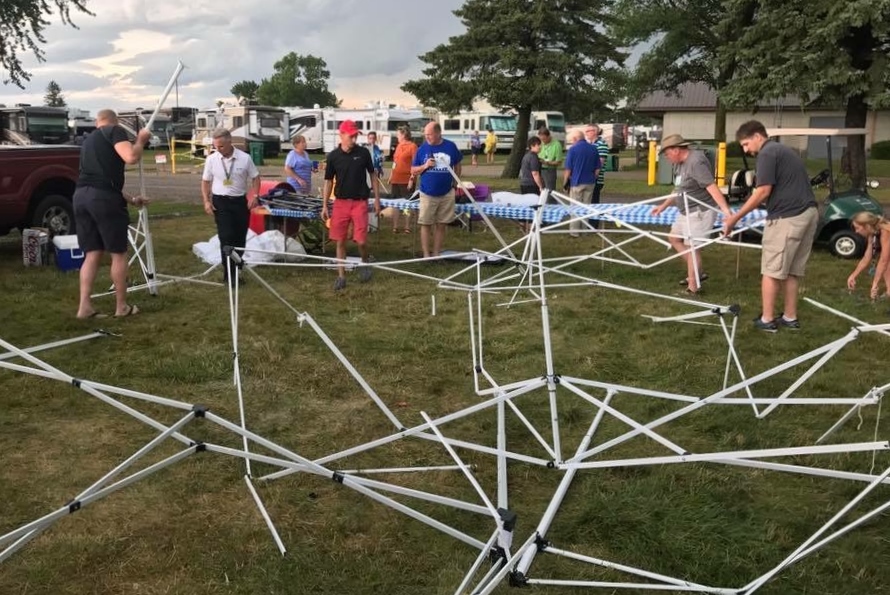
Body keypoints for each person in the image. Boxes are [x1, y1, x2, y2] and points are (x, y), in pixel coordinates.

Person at [722, 120, 819, 332]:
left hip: (788, 217)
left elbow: (763, 191)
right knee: (792, 271)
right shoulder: (783, 150)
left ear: (758, 136)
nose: (747, 150)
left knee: (771, 271)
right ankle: (790, 317)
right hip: (808, 213)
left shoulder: (767, 153)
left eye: (747, 144)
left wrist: (734, 218)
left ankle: (767, 320)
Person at [73, 108, 151, 319]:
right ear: (113, 121)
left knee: (92, 253)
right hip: (103, 200)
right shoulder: (114, 131)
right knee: (118, 253)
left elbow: (100, 181)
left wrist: (131, 199)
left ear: (97, 121)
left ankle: (84, 307)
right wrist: (141, 140)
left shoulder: (87, 141)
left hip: (81, 197)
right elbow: (131, 156)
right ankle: (121, 307)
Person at [650, 134, 733, 295]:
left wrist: (726, 211)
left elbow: (711, 187)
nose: (666, 158)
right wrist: (664, 206)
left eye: (667, 154)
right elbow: (679, 188)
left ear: (676, 150)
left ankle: (693, 287)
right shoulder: (680, 164)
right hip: (685, 210)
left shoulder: (696, 162)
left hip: (700, 211)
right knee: (674, 239)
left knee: (692, 247)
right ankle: (697, 272)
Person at [322, 120, 381, 291]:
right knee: (340, 240)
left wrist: (376, 200)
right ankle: (341, 277)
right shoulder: (333, 156)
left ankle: (364, 263)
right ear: (341, 135)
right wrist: (325, 205)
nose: (354, 139)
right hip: (340, 203)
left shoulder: (363, 153)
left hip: (360, 202)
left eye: (356, 136)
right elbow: (328, 182)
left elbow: (373, 175)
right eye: (351, 136)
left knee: (361, 241)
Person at [201, 128, 261, 286]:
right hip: (221, 203)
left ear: (229, 142)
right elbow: (206, 181)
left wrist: (255, 196)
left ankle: (237, 266)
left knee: (240, 238)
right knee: (226, 237)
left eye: (220, 146)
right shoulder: (212, 159)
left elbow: (255, 178)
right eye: (215, 146)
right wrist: (206, 201)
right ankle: (229, 275)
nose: (218, 149)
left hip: (240, 202)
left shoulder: (245, 158)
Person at [411, 121, 463, 258]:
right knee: (426, 223)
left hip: (447, 192)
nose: (427, 137)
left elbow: (457, 164)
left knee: (442, 224)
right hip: (427, 193)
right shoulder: (422, 149)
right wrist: (425, 166)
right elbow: (413, 170)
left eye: (430, 135)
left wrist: (455, 182)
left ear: (439, 133)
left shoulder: (450, 146)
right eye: (425, 135)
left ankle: (436, 253)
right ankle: (426, 254)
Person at [562, 129, 600, 237]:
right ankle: (584, 231)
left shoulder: (573, 150)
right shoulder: (593, 148)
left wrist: (565, 183)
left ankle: (574, 232)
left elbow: (568, 170)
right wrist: (593, 178)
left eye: (572, 140)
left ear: (575, 139)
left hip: (577, 182)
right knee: (586, 207)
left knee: (575, 207)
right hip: (590, 182)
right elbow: (597, 168)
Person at [847, 211, 890, 300]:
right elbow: (867, 257)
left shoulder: (885, 231)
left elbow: (884, 260)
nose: (856, 231)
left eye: (858, 228)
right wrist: (853, 275)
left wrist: (875, 283)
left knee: (886, 263)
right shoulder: (873, 231)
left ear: (866, 226)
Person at [388, 126, 417, 233]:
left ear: (404, 135)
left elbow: (415, 164)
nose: (396, 136)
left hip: (406, 179)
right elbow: (395, 162)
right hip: (396, 178)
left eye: (398, 134)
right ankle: (395, 226)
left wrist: (412, 178)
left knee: (407, 203)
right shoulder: (399, 146)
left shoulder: (412, 146)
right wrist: (391, 175)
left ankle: (407, 227)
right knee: (395, 202)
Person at [537, 127, 563, 194]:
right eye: (541, 139)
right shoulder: (540, 143)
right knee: (541, 190)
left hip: (549, 170)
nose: (543, 141)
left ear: (549, 136)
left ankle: (551, 203)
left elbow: (559, 162)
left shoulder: (556, 145)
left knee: (549, 191)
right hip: (539, 169)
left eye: (544, 139)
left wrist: (547, 163)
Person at [589, 124, 610, 205]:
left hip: (596, 178)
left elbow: (600, 163)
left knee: (594, 201)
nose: (586, 133)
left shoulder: (601, 144)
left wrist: (594, 177)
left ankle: (594, 217)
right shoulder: (590, 144)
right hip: (589, 177)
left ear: (595, 132)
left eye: (588, 131)